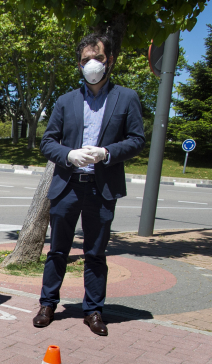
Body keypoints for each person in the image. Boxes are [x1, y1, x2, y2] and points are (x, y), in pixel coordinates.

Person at [33, 32, 145, 336]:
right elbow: (47, 141)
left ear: (110, 60)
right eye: (86, 59)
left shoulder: (126, 97)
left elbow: (137, 140)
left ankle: (94, 310)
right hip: (68, 185)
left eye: (98, 57)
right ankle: (47, 304)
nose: (92, 64)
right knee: (58, 250)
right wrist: (69, 155)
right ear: (79, 64)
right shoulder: (66, 100)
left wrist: (107, 153)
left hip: (101, 187)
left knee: (95, 252)